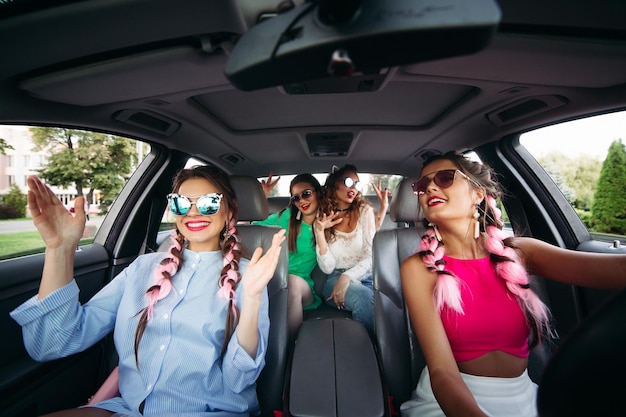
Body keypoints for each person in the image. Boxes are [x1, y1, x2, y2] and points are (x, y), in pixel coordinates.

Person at [10, 166, 286, 417]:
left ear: (229, 210)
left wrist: (251, 298)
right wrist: (60, 249)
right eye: (180, 203)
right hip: (127, 409)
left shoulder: (250, 275)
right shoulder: (141, 269)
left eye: (209, 202)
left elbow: (239, 381)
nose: (193, 212)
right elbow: (53, 343)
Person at [399, 151, 626, 417]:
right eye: (422, 186)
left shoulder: (519, 252)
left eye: (445, 178)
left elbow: (615, 269)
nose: (431, 188)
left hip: (524, 396)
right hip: (448, 401)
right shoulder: (419, 268)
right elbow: (442, 372)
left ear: (478, 194)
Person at [255, 173, 324, 338]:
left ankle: (288, 345)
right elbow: (252, 226)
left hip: (301, 287)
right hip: (274, 280)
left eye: (306, 194)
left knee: (292, 282)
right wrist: (261, 198)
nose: (302, 201)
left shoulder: (328, 223)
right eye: (295, 198)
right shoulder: (285, 217)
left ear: (318, 193)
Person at [314, 164, 377, 335]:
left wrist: (348, 276)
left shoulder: (365, 211)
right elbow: (327, 267)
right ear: (334, 184)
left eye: (357, 183)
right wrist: (320, 233)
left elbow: (371, 255)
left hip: (368, 276)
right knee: (364, 298)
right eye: (349, 181)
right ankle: (367, 349)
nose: (354, 188)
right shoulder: (322, 218)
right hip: (334, 279)